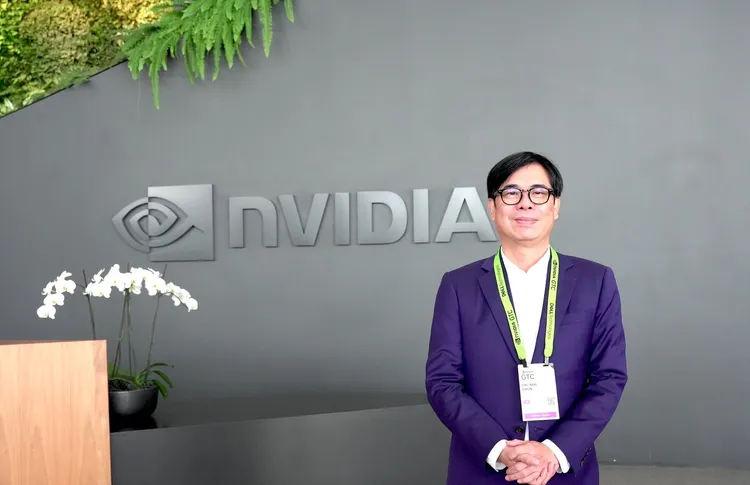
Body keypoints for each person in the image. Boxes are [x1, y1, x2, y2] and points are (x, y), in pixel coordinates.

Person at [425, 151, 628, 484]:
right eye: (511, 193)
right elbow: (442, 381)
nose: (525, 203)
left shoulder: (595, 281)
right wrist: (499, 449)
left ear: (555, 205)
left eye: (538, 192)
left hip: (564, 471)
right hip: (483, 469)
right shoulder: (458, 285)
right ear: (492, 207)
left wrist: (554, 451)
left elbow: (609, 377)